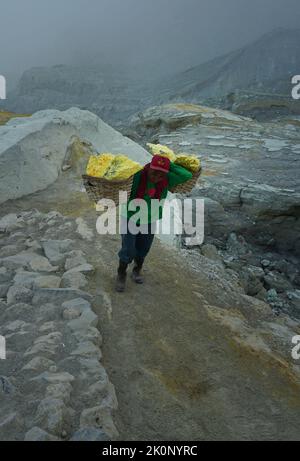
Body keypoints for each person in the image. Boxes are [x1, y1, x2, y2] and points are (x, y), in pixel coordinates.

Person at [115, 154, 192, 292]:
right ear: (149, 167)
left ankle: (137, 271)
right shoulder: (137, 175)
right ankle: (121, 274)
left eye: (160, 175)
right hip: (130, 216)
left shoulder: (167, 179)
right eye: (153, 173)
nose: (156, 178)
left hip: (150, 219)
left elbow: (186, 175)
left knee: (144, 247)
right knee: (128, 248)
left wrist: (169, 165)